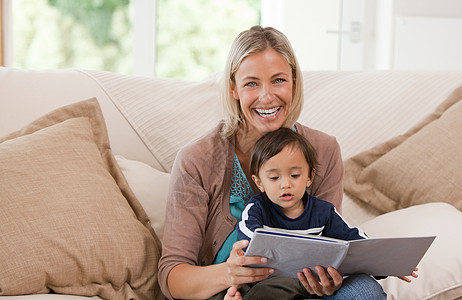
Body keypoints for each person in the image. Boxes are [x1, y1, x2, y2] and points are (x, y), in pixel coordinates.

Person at [157, 25, 390, 299]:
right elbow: (172, 276)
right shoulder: (197, 160)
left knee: (365, 290)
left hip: (300, 290)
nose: (267, 97)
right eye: (252, 83)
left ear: (293, 81)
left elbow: (330, 245)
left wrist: (328, 278)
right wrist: (228, 273)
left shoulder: (324, 150)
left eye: (278, 80)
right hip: (232, 293)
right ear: (234, 88)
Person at [232, 127, 383, 299]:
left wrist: (385, 263)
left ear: (310, 177)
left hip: (321, 286)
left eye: (295, 175)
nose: (285, 184)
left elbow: (353, 240)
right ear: (259, 182)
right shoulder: (257, 209)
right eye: (274, 178)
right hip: (275, 288)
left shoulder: (323, 211)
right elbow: (249, 238)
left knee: (365, 287)